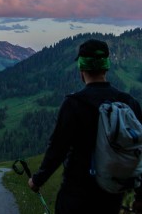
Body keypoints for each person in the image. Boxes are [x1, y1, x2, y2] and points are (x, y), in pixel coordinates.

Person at [27, 39, 142, 214]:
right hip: (111, 198)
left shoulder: (74, 104)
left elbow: (57, 149)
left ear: (82, 69)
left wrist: (37, 180)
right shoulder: (128, 103)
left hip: (76, 196)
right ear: (106, 67)